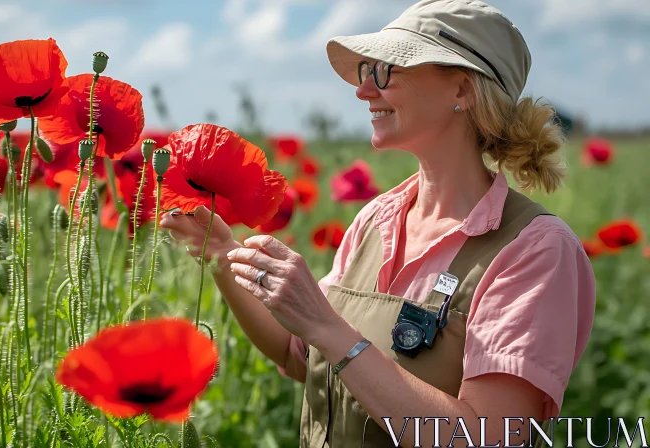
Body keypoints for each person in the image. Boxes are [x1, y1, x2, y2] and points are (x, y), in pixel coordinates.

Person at [159, 0, 596, 446]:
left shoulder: (533, 249)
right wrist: (221, 254)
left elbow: (488, 437)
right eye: (368, 70)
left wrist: (330, 330)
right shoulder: (377, 220)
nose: (364, 90)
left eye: (386, 71)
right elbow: (301, 354)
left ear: (462, 91)